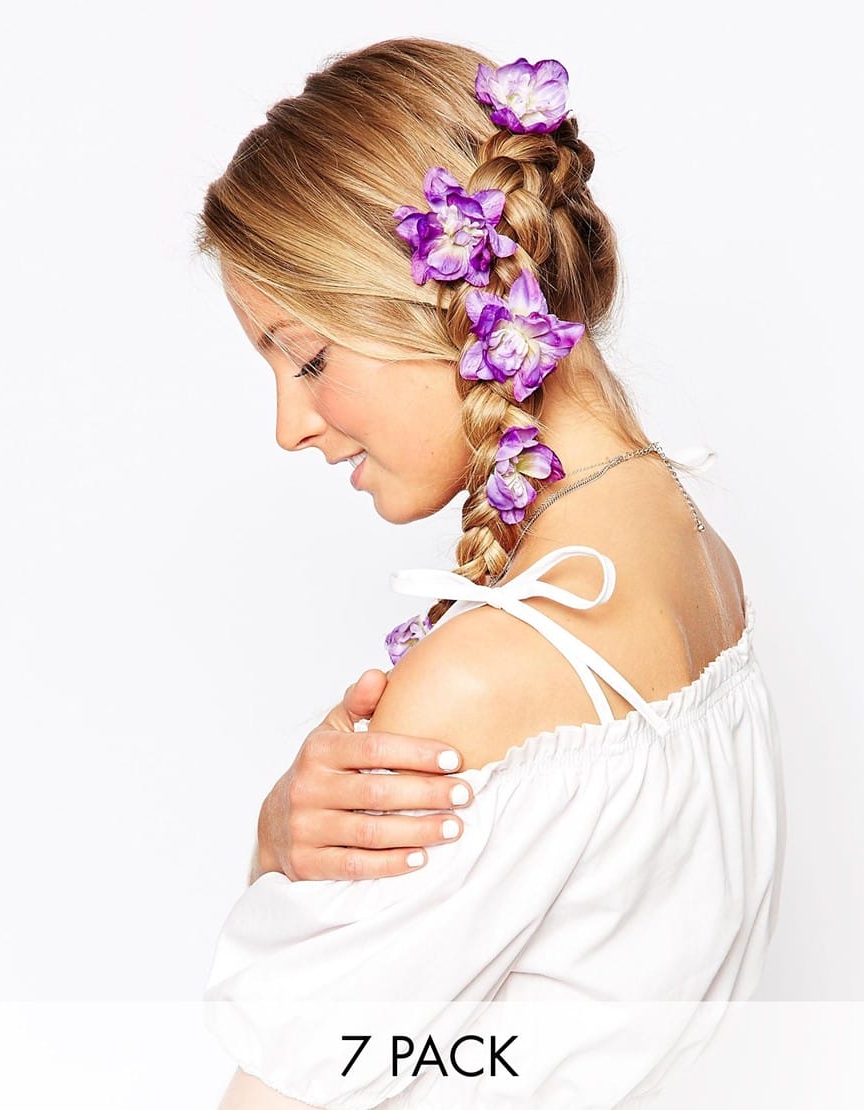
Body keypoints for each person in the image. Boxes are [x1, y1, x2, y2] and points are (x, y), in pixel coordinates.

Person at [197, 38, 786, 1109]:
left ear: (453, 297)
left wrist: (275, 851)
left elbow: (293, 1083)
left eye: (309, 356)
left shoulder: (483, 680)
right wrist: (281, 831)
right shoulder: (701, 559)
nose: (291, 424)